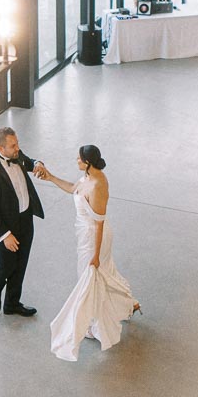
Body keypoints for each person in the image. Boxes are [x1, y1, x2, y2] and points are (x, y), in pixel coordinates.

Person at [37, 144, 140, 362]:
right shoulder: (86, 177)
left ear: (88, 162)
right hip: (85, 234)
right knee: (101, 275)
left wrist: (95, 254)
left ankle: (92, 325)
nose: (76, 161)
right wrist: (50, 177)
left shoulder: (98, 185)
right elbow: (72, 188)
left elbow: (99, 224)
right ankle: (128, 304)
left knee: (88, 279)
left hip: (95, 239)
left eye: (79, 159)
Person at [0, 126, 45, 317]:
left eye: (17, 143)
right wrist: (5, 235)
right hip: (5, 228)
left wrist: (37, 164)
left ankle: (12, 303)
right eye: (13, 145)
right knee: (6, 264)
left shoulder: (15, 154)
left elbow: (28, 161)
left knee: (21, 263)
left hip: (25, 219)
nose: (17, 148)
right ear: (1, 149)